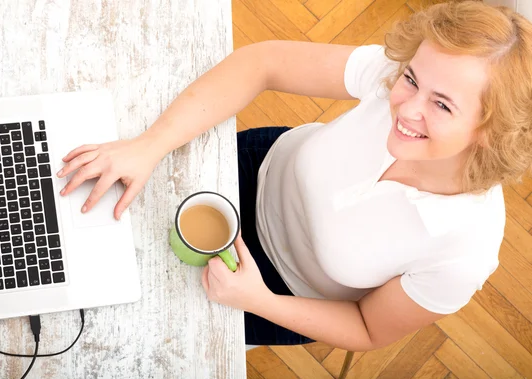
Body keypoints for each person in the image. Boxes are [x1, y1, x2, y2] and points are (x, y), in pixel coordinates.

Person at [56, 1, 532, 351]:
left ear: (494, 130)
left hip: (279, 292)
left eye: (442, 105)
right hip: (251, 171)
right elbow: (262, 63)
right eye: (411, 79)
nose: (405, 107)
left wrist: (258, 300)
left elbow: (367, 328)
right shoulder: (403, 75)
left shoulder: (464, 250)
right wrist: (149, 144)